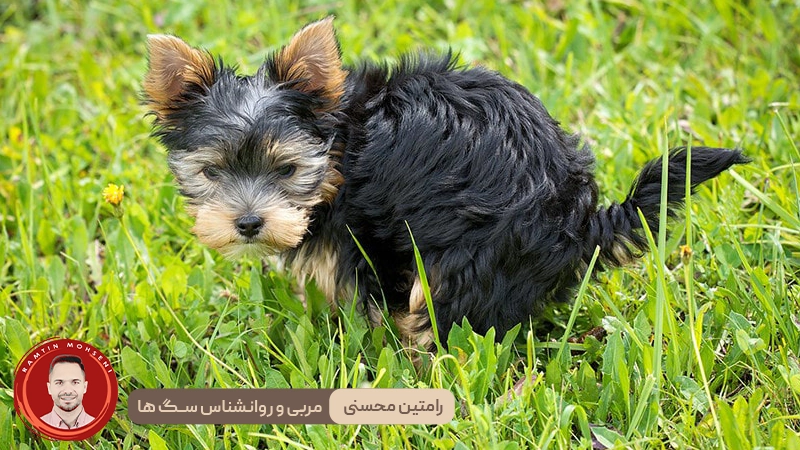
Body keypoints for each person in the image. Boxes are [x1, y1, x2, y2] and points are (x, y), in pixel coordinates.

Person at [39, 355, 95, 429]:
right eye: (59, 383)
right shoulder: (38, 425)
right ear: (49, 388)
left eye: (75, 382)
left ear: (85, 387)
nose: (68, 391)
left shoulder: (98, 424)